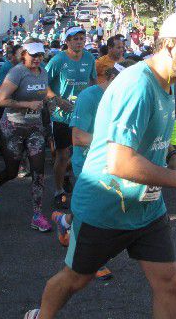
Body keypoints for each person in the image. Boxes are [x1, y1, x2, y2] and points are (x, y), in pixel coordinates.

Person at [24, 11, 176, 319]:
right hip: (106, 205)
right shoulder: (137, 85)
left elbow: (159, 142)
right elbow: (120, 161)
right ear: (168, 45)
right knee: (76, 279)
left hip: (147, 208)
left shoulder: (167, 86)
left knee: (169, 282)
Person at [51, 63, 125, 280]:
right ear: (111, 77)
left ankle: (64, 222)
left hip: (113, 161)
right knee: (97, 211)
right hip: (89, 163)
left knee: (89, 208)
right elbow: (78, 138)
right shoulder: (88, 97)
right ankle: (91, 261)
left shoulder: (124, 96)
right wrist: (115, 144)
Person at [0, 41, 70, 231]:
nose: (38, 59)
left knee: (38, 172)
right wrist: (27, 104)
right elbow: (1, 100)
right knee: (12, 171)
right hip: (13, 127)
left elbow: (45, 91)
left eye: (40, 55)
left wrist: (57, 100)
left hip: (35, 128)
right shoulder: (17, 72)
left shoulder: (42, 71)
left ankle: (37, 215)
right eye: (34, 55)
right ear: (24, 54)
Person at [45, 26, 97, 209]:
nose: (79, 41)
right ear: (67, 41)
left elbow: (93, 83)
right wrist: (57, 100)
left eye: (82, 38)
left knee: (84, 153)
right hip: (61, 116)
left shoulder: (90, 58)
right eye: (74, 39)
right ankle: (58, 191)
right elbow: (42, 83)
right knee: (62, 155)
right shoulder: (58, 60)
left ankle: (79, 185)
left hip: (83, 116)